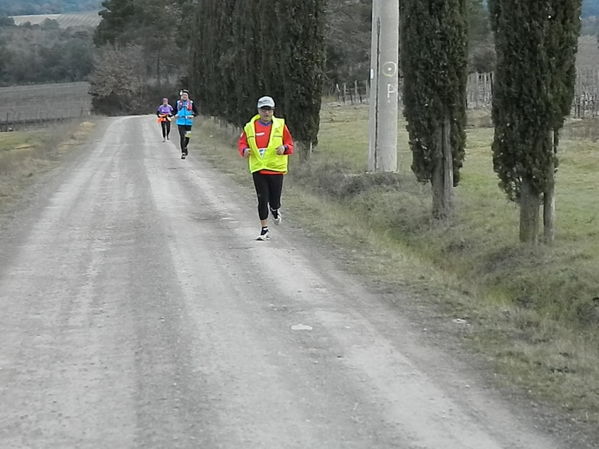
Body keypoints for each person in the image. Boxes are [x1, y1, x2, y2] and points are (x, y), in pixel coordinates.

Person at [238, 96, 294, 241]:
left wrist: (284, 148)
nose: (266, 113)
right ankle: (264, 229)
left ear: (273, 111)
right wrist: (244, 150)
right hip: (258, 168)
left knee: (274, 201)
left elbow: (290, 144)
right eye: (264, 110)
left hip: (275, 168)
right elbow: (242, 143)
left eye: (269, 110)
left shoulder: (281, 125)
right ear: (258, 110)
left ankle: (275, 210)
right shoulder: (250, 126)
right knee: (262, 199)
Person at [174, 89, 198, 159]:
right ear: (181, 96)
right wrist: (175, 115)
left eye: (186, 95)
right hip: (180, 122)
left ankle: (185, 147)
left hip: (188, 123)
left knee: (187, 137)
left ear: (188, 96)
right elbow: (174, 111)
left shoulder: (191, 103)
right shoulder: (178, 103)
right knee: (182, 137)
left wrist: (192, 115)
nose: (184, 96)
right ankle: (183, 152)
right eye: (183, 95)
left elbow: (196, 112)